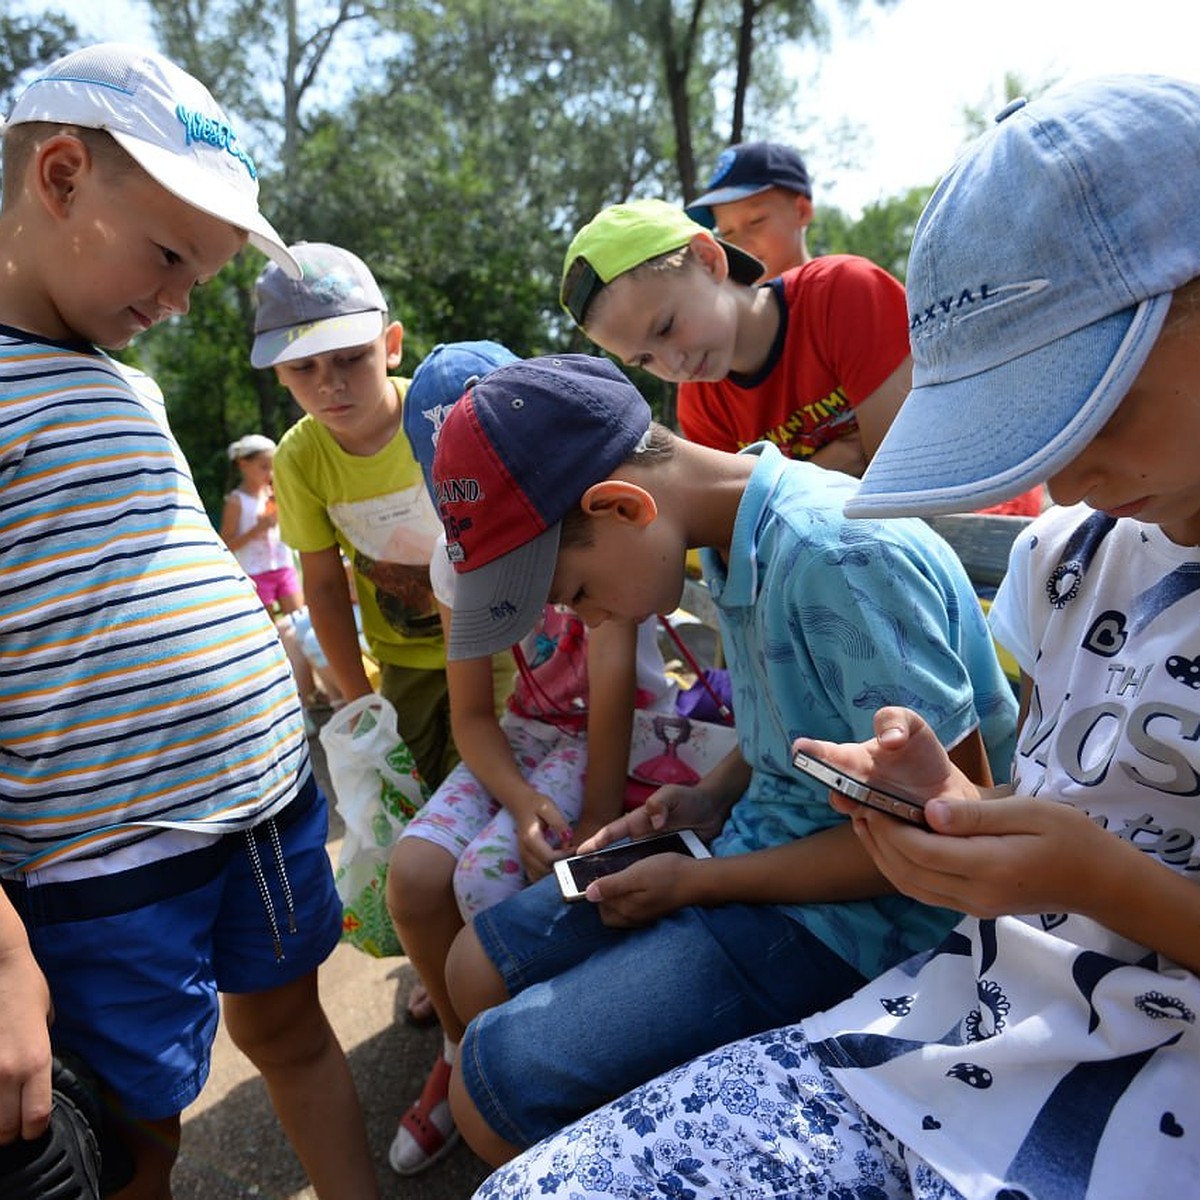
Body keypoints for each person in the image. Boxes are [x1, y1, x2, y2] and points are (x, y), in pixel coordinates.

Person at [471, 73, 1200, 1200]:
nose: (1059, 477)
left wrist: (1076, 868)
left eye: (1095, 404)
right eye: (1023, 432)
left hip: (1039, 1028)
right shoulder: (1076, 557)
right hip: (980, 1013)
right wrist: (922, 809)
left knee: (511, 1069)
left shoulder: (840, 540)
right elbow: (1004, 797)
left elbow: (1016, 850)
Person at [424, 353, 1016, 1166]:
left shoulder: (836, 555)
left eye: (571, 592)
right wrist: (711, 794)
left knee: (498, 1084)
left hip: (874, 922)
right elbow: (803, 716)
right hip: (756, 849)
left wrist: (699, 882)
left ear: (623, 506)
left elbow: (957, 826)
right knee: (475, 965)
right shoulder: (724, 538)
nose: (581, 617)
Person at [0, 42, 377, 1199]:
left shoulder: (122, 373)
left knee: (296, 1033)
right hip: (104, 854)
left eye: (198, 280)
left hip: (263, 796)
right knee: (132, 1136)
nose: (174, 303)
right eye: (169, 256)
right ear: (59, 176)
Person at [385, 342, 679, 1175]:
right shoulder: (455, 565)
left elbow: (615, 689)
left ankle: (513, 1065)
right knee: (412, 874)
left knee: (481, 879)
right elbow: (475, 715)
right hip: (523, 739)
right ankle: (459, 1049)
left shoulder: (577, 535)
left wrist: (591, 825)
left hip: (605, 736)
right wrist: (517, 801)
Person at [564, 195, 1044, 516]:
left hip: (988, 513)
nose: (673, 364)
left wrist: (784, 485)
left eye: (667, 327)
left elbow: (902, 482)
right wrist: (840, 458)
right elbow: (738, 531)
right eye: (645, 361)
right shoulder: (703, 405)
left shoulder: (841, 295)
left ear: (709, 261)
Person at [252, 241, 458, 792]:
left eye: (350, 357)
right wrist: (357, 699)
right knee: (417, 797)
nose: (330, 383)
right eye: (304, 367)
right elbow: (320, 584)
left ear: (390, 346)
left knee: (483, 796)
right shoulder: (298, 458)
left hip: (492, 645)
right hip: (401, 660)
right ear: (279, 373)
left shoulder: (440, 416)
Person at [685, 139, 816, 279]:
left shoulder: (837, 289)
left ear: (802, 211)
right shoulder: (725, 299)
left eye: (756, 221)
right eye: (726, 232)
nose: (741, 245)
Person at [220, 433, 304, 617]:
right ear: (243, 464)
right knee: (267, 630)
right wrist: (258, 529)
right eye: (264, 467)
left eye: (273, 467)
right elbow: (225, 545)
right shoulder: (236, 501)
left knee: (299, 621)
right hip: (254, 572)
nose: (271, 474)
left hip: (284, 566)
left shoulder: (274, 494)